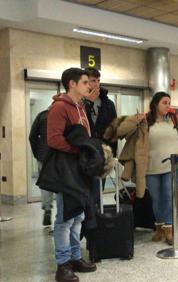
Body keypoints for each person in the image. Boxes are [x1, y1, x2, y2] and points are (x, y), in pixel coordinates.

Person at [47, 68, 97, 282]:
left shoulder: (81, 106)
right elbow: (54, 139)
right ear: (72, 84)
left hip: (80, 169)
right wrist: (80, 150)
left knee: (79, 216)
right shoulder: (59, 107)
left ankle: (75, 257)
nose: (90, 85)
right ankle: (63, 264)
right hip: (66, 170)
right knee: (65, 218)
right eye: (85, 82)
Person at [144, 92, 178, 244]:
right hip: (151, 167)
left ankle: (169, 228)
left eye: (169, 103)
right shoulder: (145, 121)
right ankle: (159, 227)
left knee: (169, 197)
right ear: (156, 104)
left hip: (171, 166)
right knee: (156, 199)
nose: (167, 106)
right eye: (164, 102)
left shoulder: (175, 119)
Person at [84, 67, 117, 200]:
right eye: (93, 80)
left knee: (97, 195)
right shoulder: (79, 101)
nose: (96, 84)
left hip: (102, 154)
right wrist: (88, 102)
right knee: (84, 194)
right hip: (84, 153)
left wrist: (112, 154)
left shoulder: (108, 104)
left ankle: (95, 219)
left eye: (98, 80)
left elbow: (113, 130)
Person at [29, 109, 53, 227]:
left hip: (43, 155)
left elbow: (32, 136)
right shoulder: (65, 113)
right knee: (62, 183)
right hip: (60, 155)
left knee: (45, 184)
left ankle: (47, 209)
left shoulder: (42, 115)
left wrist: (37, 153)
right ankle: (63, 212)